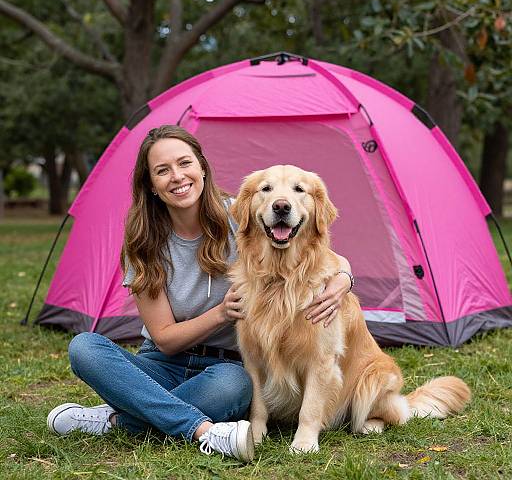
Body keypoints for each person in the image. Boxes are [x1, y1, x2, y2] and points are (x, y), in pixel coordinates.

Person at [46, 125, 353, 462]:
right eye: (163, 170)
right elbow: (164, 338)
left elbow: (318, 250)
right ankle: (203, 431)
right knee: (84, 348)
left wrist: (344, 278)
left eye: (185, 163)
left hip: (222, 368)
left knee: (232, 389)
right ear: (151, 184)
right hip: (161, 363)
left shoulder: (240, 215)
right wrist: (220, 313)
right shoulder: (143, 244)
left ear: (202, 168)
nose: (177, 177)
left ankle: (118, 419)